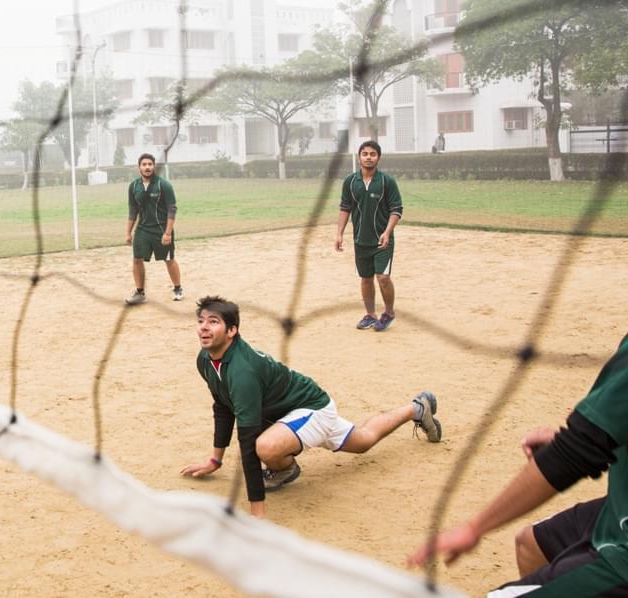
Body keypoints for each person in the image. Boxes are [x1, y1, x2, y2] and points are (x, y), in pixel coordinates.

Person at [181, 295, 442, 519]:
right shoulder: (206, 359)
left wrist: (256, 514)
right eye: (201, 321)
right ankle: (417, 408)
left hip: (312, 410)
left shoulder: (242, 372)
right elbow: (223, 406)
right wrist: (215, 460)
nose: (204, 327)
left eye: (213, 322)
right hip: (294, 412)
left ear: (231, 331)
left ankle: (284, 470)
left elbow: (247, 441)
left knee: (265, 446)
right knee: (364, 441)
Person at [408, 332, 628, 596]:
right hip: (617, 506)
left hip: (623, 548)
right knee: (531, 543)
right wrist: (592, 437)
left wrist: (474, 528)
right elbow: (590, 439)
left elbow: (574, 453)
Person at [335, 140, 403, 332]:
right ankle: (371, 315)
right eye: (365, 154)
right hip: (360, 240)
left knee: (383, 277)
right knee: (365, 278)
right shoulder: (350, 182)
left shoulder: (387, 182)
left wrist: (387, 232)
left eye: (373, 154)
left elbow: (397, 209)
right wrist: (339, 233)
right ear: (359, 157)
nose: (368, 157)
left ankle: (388, 313)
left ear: (378, 158)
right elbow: (345, 208)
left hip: (382, 241)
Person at [125, 153, 183, 304]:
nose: (147, 167)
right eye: (144, 164)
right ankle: (140, 293)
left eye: (150, 164)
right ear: (139, 167)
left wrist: (168, 233)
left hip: (161, 230)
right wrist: (128, 233)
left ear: (154, 166)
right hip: (143, 230)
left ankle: (178, 288)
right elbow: (132, 211)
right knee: (137, 259)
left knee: (169, 259)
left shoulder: (163, 185)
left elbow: (172, 209)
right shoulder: (134, 186)